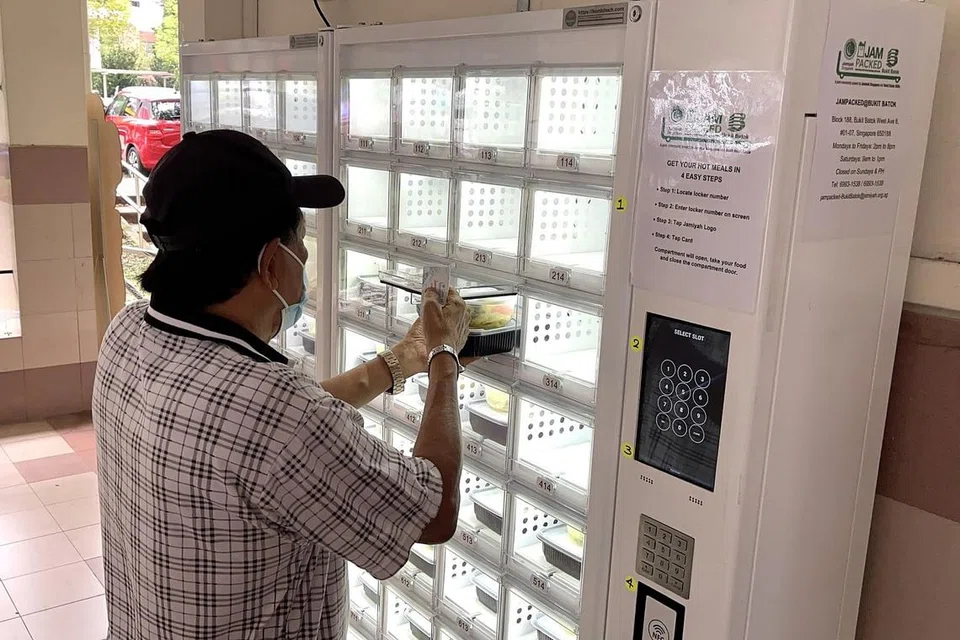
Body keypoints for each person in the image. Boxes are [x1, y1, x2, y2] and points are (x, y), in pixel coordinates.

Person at [92, 130, 471, 640]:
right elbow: (435, 510)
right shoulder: (277, 412)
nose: (306, 258)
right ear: (270, 261)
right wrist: (445, 357)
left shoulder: (127, 332)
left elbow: (260, 450)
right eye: (301, 242)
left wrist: (400, 359)